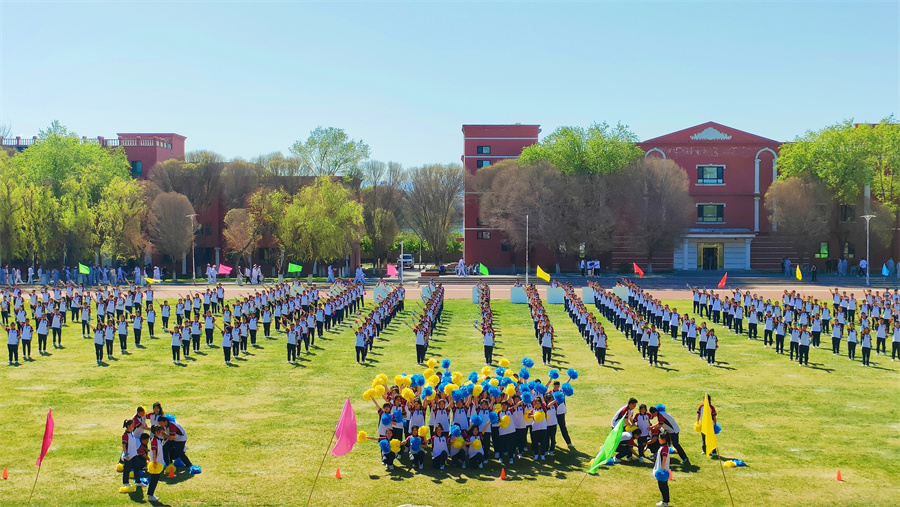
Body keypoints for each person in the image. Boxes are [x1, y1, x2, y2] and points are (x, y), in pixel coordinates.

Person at [146, 425, 166, 502]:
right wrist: (154, 462)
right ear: (156, 431)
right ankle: (150, 495)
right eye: (160, 430)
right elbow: (154, 451)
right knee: (154, 479)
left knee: (155, 479)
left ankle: (151, 494)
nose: (162, 431)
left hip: (158, 462)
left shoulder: (157, 439)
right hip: (156, 463)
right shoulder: (154, 440)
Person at [654, 432, 672, 507]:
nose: (658, 439)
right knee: (663, 486)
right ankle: (665, 500)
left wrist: (662, 470)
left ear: (664, 439)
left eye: (659, 438)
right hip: (663, 470)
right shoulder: (664, 447)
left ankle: (665, 502)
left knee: (663, 486)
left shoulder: (664, 448)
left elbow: (664, 459)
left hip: (662, 471)